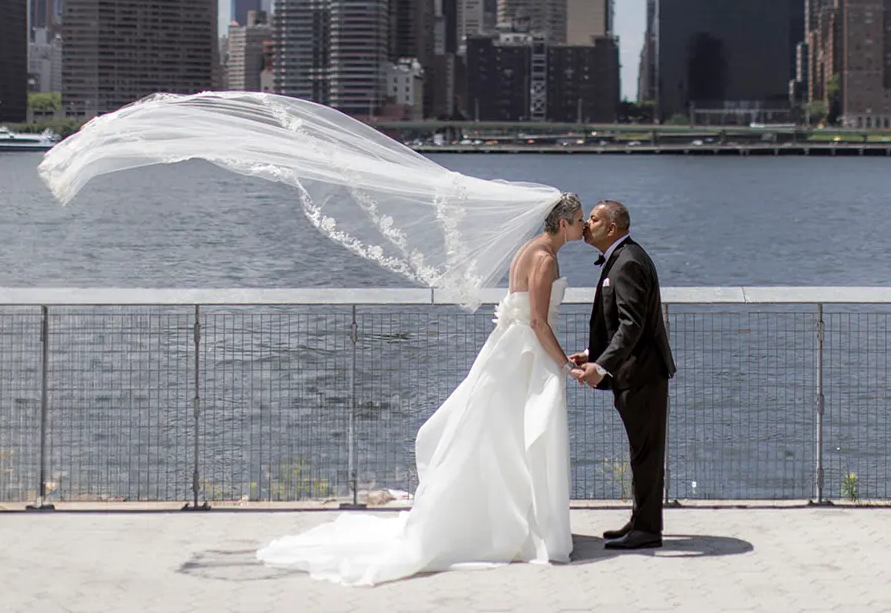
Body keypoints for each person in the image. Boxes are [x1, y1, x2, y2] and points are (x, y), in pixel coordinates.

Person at [255, 193, 587, 586]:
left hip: (509, 351)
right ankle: (524, 527)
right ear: (563, 223)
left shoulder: (527, 250)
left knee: (504, 439)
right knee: (525, 438)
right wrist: (565, 364)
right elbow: (538, 322)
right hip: (527, 357)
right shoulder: (545, 258)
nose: (584, 226)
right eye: (580, 220)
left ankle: (513, 522)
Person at [569, 199, 676, 550]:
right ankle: (641, 520)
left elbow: (632, 325)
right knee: (641, 452)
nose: (587, 224)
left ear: (612, 228)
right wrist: (593, 355)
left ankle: (647, 530)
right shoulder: (622, 257)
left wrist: (601, 367)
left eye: (594, 219)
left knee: (646, 454)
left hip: (642, 375)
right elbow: (621, 325)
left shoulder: (627, 262)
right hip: (635, 372)